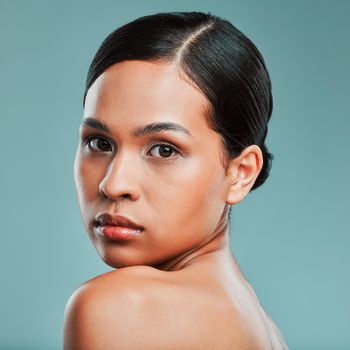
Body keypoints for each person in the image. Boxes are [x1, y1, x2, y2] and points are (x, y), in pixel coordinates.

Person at [63, 11, 289, 349]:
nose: (113, 184)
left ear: (241, 173)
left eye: (164, 150)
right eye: (100, 143)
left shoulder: (120, 308)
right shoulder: (261, 327)